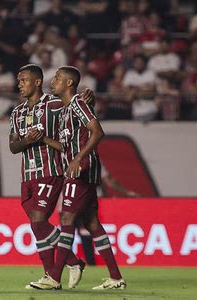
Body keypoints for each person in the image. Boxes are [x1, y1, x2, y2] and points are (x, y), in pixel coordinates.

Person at [32, 66, 125, 290]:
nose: (53, 82)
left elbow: (97, 131)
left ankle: (54, 277)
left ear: (69, 83)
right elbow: (65, 145)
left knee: (66, 221)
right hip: (78, 169)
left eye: (57, 79)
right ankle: (115, 277)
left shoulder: (77, 103)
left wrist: (77, 159)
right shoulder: (66, 111)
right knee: (93, 224)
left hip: (81, 169)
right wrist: (43, 138)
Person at [10, 64, 91, 290]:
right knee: (38, 226)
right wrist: (27, 141)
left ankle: (71, 264)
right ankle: (52, 274)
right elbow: (13, 146)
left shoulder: (54, 105)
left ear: (37, 82)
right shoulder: (17, 112)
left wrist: (87, 100)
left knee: (37, 219)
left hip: (51, 170)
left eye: (24, 80)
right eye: (19, 80)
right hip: (27, 174)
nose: (19, 84)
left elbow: (76, 107)